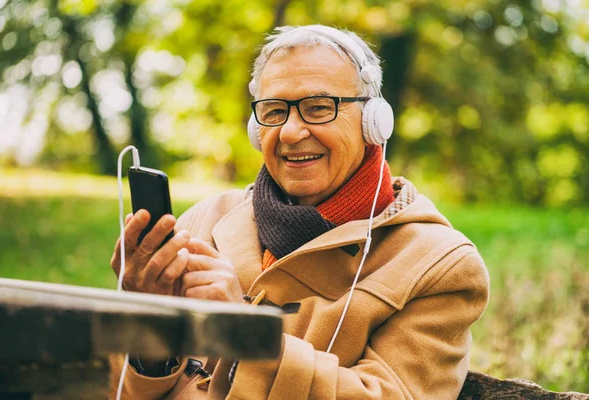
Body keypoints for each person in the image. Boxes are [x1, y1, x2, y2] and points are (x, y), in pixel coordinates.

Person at [109, 24, 490, 399]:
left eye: (318, 108)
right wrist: (145, 322)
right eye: (274, 111)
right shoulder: (202, 221)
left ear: (374, 121)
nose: (290, 132)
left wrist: (244, 333)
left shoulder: (441, 267)